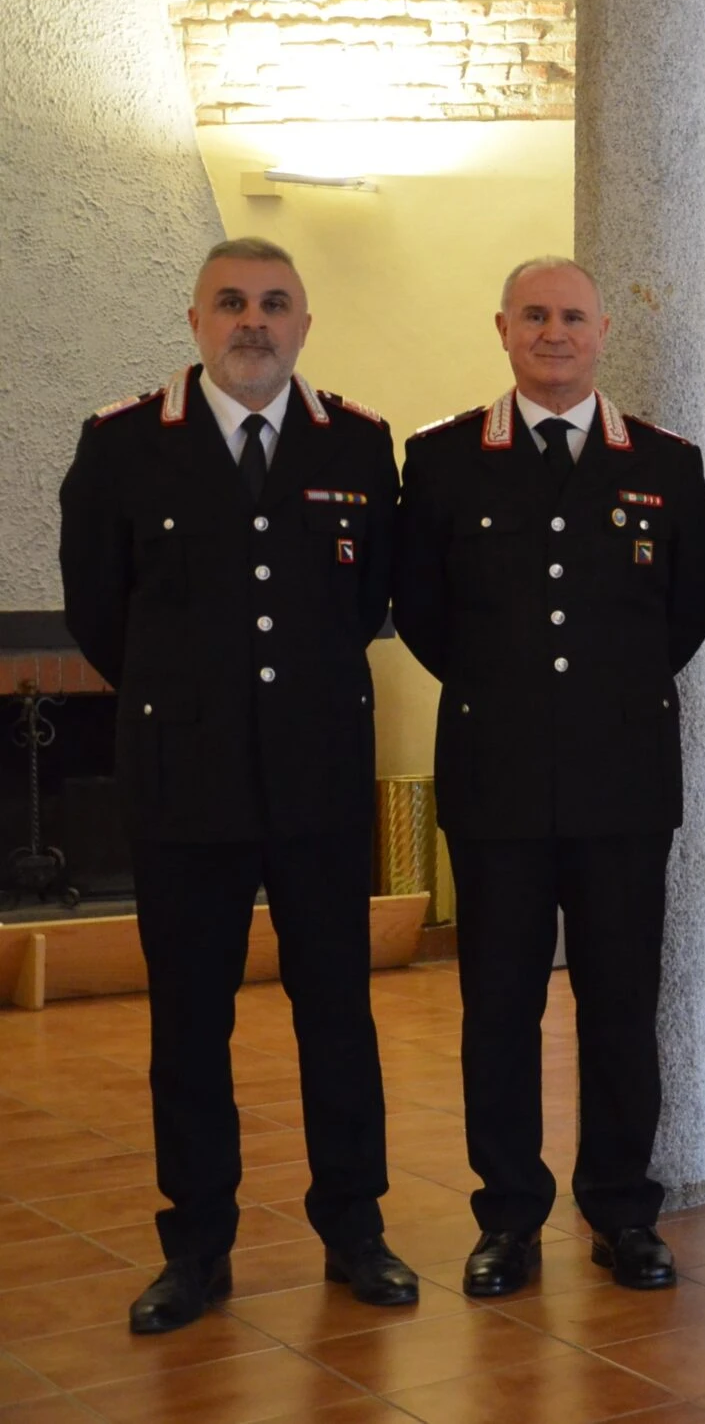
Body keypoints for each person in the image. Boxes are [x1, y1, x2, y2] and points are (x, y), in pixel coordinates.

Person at [57, 237, 414, 1333]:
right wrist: (189, 699)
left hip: (318, 778)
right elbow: (98, 611)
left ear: (303, 323)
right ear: (195, 322)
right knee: (188, 1023)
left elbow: (369, 600)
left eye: (273, 303)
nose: (252, 321)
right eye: (230, 303)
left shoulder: (357, 441)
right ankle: (196, 1246)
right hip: (185, 782)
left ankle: (355, 1228)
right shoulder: (124, 443)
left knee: (338, 1014)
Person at [392, 256, 705, 1295]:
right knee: (498, 1008)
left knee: (622, 1004)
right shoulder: (442, 459)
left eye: (573, 316)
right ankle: (508, 1214)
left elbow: (686, 610)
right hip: (496, 777)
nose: (554, 333)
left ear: (602, 330)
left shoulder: (664, 462)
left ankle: (623, 1210)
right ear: (502, 329)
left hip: (622, 781)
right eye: (533, 315)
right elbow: (424, 612)